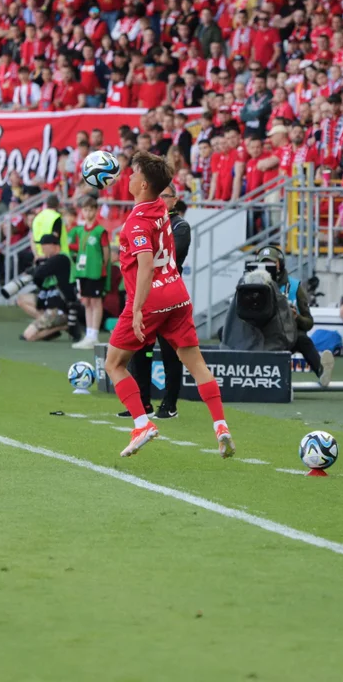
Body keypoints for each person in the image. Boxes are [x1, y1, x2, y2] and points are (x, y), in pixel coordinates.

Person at [105, 151, 233, 458]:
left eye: (134, 174)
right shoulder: (161, 207)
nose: (129, 178)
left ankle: (141, 423)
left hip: (151, 299)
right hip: (177, 294)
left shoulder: (136, 223)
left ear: (145, 183)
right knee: (196, 363)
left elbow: (145, 266)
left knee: (114, 364)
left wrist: (136, 309)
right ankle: (221, 426)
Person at [125, 187, 192, 419]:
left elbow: (168, 255)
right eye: (158, 196)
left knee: (169, 351)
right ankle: (142, 403)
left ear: (175, 200)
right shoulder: (147, 221)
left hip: (168, 295)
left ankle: (170, 403)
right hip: (145, 294)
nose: (161, 200)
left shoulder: (180, 226)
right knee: (140, 350)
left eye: (165, 196)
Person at [257, 245, 335, 387]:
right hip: (260, 337)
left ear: (280, 264)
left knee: (303, 340)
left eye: (271, 263)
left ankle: (322, 372)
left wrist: (296, 317)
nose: (268, 267)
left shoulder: (294, 287)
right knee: (226, 332)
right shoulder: (252, 284)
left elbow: (309, 322)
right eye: (264, 264)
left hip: (286, 338)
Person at [18, 234, 79, 342]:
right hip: (48, 301)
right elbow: (39, 281)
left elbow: (39, 273)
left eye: (44, 245)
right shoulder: (50, 260)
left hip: (60, 306)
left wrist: (34, 268)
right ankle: (49, 324)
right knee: (21, 299)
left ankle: (64, 326)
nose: (41, 248)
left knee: (28, 336)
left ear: (54, 246)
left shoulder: (62, 258)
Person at [68, 197, 111, 350]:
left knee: (96, 301)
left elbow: (106, 252)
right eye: (85, 210)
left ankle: (94, 335)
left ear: (96, 210)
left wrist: (103, 267)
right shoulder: (80, 230)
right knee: (86, 302)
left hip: (96, 272)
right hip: (83, 271)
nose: (88, 212)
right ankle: (88, 334)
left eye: (91, 209)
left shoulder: (100, 231)